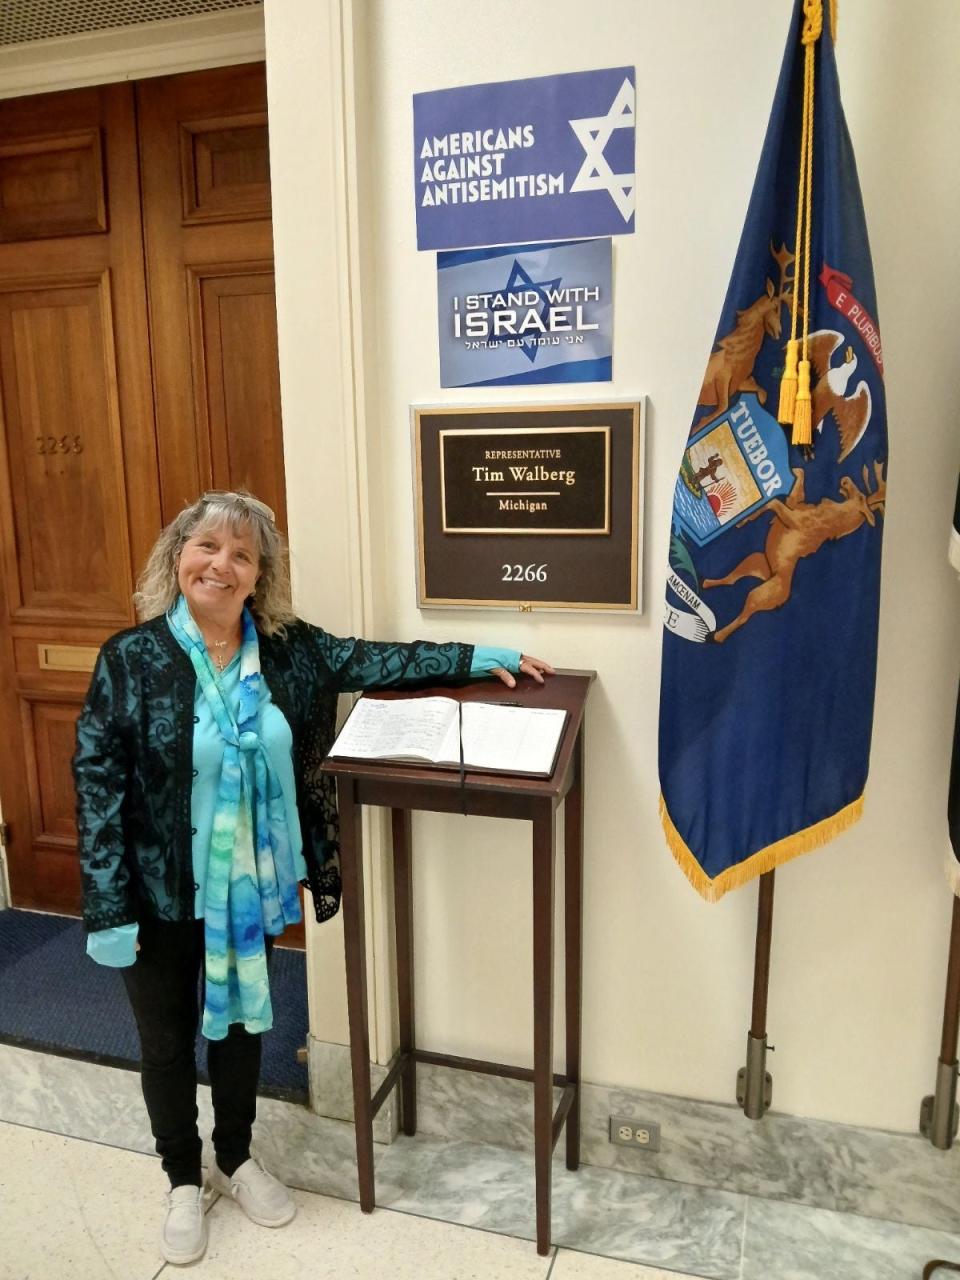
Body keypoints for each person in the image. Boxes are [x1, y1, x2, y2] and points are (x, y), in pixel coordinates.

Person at [73, 490, 553, 1266]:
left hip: (250, 886)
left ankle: (235, 1157)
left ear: (259, 577)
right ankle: (179, 1177)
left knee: (239, 1025)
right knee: (164, 1043)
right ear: (177, 557)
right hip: (158, 891)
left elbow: (381, 660)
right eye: (206, 547)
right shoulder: (130, 660)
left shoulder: (290, 651)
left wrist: (481, 656)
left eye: (241, 555)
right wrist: (106, 906)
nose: (220, 565)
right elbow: (98, 787)